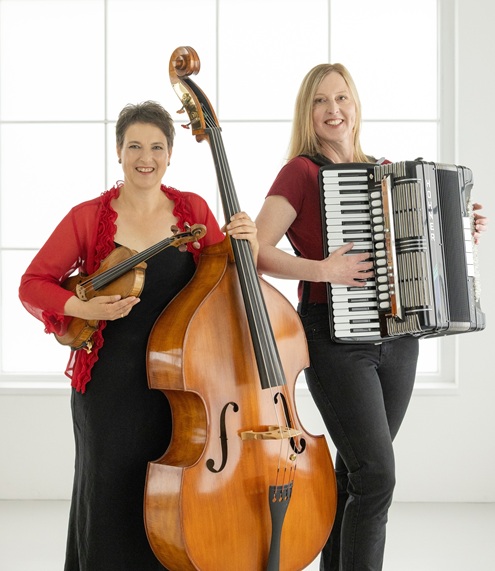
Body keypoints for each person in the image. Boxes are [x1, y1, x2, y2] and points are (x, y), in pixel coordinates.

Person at [254, 64, 487, 571]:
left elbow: (419, 249)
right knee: (377, 476)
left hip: (399, 339)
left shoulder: (385, 171)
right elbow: (255, 252)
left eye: (342, 98)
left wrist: (458, 229)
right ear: (307, 112)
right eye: (320, 101)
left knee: (356, 474)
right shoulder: (301, 172)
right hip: (333, 337)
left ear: (356, 106)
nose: (333, 109)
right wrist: (323, 269)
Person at [18, 100, 258, 571]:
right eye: (134, 146)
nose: (145, 157)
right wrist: (82, 307)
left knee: (169, 501)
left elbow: (224, 282)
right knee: (109, 497)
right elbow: (32, 284)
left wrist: (243, 244)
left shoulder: (193, 211)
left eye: (156, 147)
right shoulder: (89, 216)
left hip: (179, 385)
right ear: (118, 151)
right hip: (110, 387)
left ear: (170, 154)